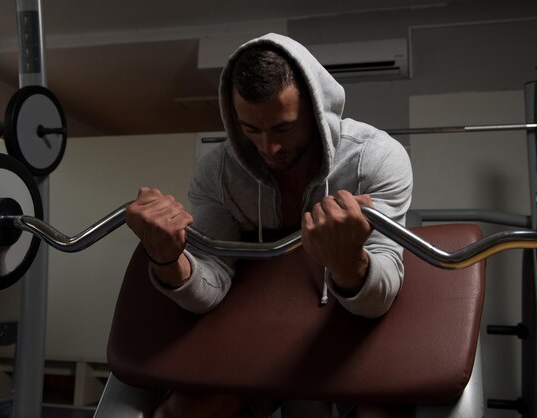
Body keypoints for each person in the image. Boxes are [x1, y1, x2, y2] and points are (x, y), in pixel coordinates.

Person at [126, 33, 413, 418]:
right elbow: (210, 287)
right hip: (255, 337)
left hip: (351, 336)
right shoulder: (217, 174)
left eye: (283, 128)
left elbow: (381, 297)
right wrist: (167, 261)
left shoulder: (376, 160)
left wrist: (347, 262)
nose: (268, 148)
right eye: (250, 129)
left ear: (316, 109)